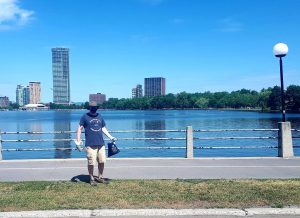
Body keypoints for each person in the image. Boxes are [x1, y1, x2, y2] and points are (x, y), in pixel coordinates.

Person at [76, 101, 116, 186]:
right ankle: (91, 179)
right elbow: (80, 129)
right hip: (90, 144)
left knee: (102, 161)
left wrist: (110, 137)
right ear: (90, 108)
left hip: (101, 144)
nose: (94, 109)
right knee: (91, 162)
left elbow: (103, 128)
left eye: (95, 108)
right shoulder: (84, 117)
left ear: (97, 108)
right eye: (92, 108)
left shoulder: (100, 116)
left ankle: (100, 177)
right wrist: (78, 141)